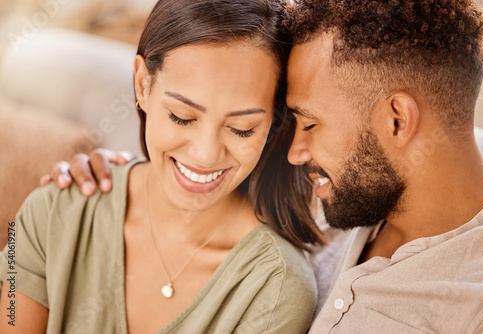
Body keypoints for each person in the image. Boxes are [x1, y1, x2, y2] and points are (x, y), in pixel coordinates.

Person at [52, 0, 483, 332]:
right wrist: (116, 176)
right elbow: (206, 157)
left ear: (397, 120)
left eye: (309, 123)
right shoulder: (342, 191)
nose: (295, 151)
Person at [0, 1, 327, 333]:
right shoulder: (50, 209)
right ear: (143, 85)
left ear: (273, 122)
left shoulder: (275, 289)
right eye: (182, 117)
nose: (205, 154)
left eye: (242, 128)